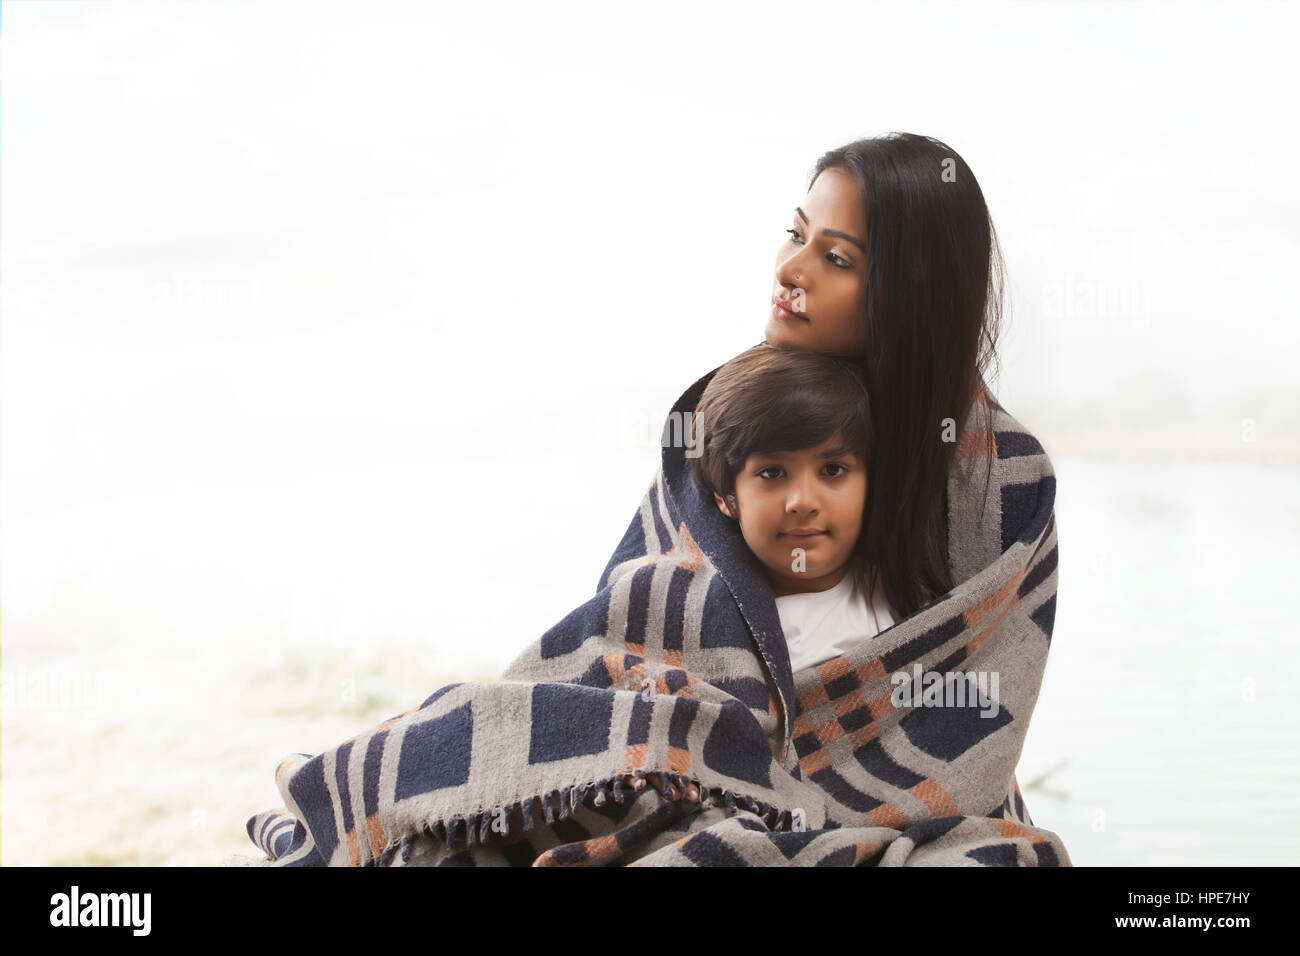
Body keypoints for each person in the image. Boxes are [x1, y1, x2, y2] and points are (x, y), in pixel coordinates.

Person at [623, 130, 1006, 806]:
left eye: (834, 257)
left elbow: (980, 713)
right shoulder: (731, 418)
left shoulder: (993, 483)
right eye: (794, 235)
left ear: (910, 295)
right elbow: (630, 626)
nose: (791, 271)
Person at [688, 342, 896, 677]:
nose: (802, 502)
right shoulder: (703, 620)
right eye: (772, 473)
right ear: (726, 497)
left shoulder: (905, 597)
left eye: (833, 470)